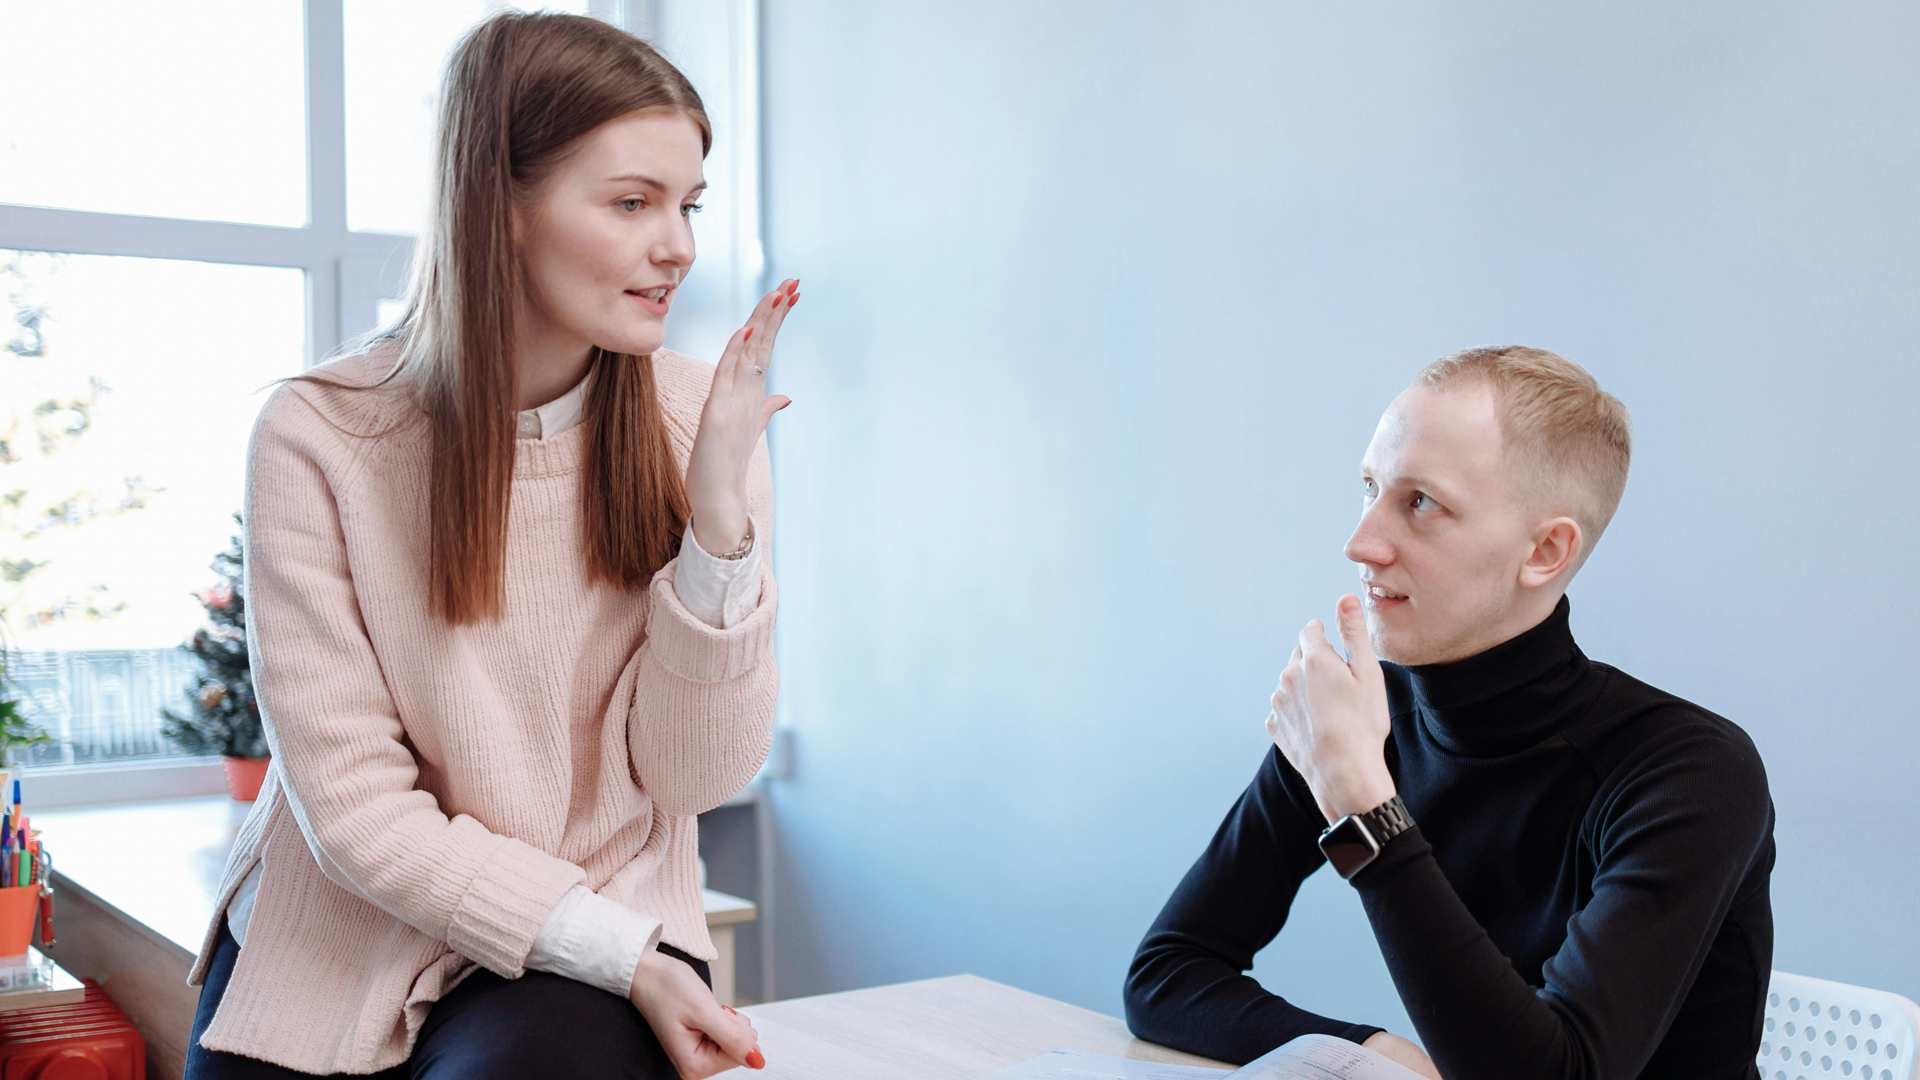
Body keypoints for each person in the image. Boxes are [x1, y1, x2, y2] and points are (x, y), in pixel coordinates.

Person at [185, 13, 798, 1079]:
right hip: (344, 928)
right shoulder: (319, 433)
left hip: (591, 947)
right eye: (632, 203)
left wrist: (717, 531)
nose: (679, 247)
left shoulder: (708, 423)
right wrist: (624, 953)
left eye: (688, 205)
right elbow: (358, 813)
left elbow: (696, 773)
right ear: (497, 206)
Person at [1124, 347, 1775, 1080]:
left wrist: (1364, 812)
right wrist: (1368, 1047)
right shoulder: (1368, 713)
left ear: (1545, 552)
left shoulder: (1691, 774)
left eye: (1421, 502)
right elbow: (1166, 974)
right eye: (1369, 487)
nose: (1361, 542)